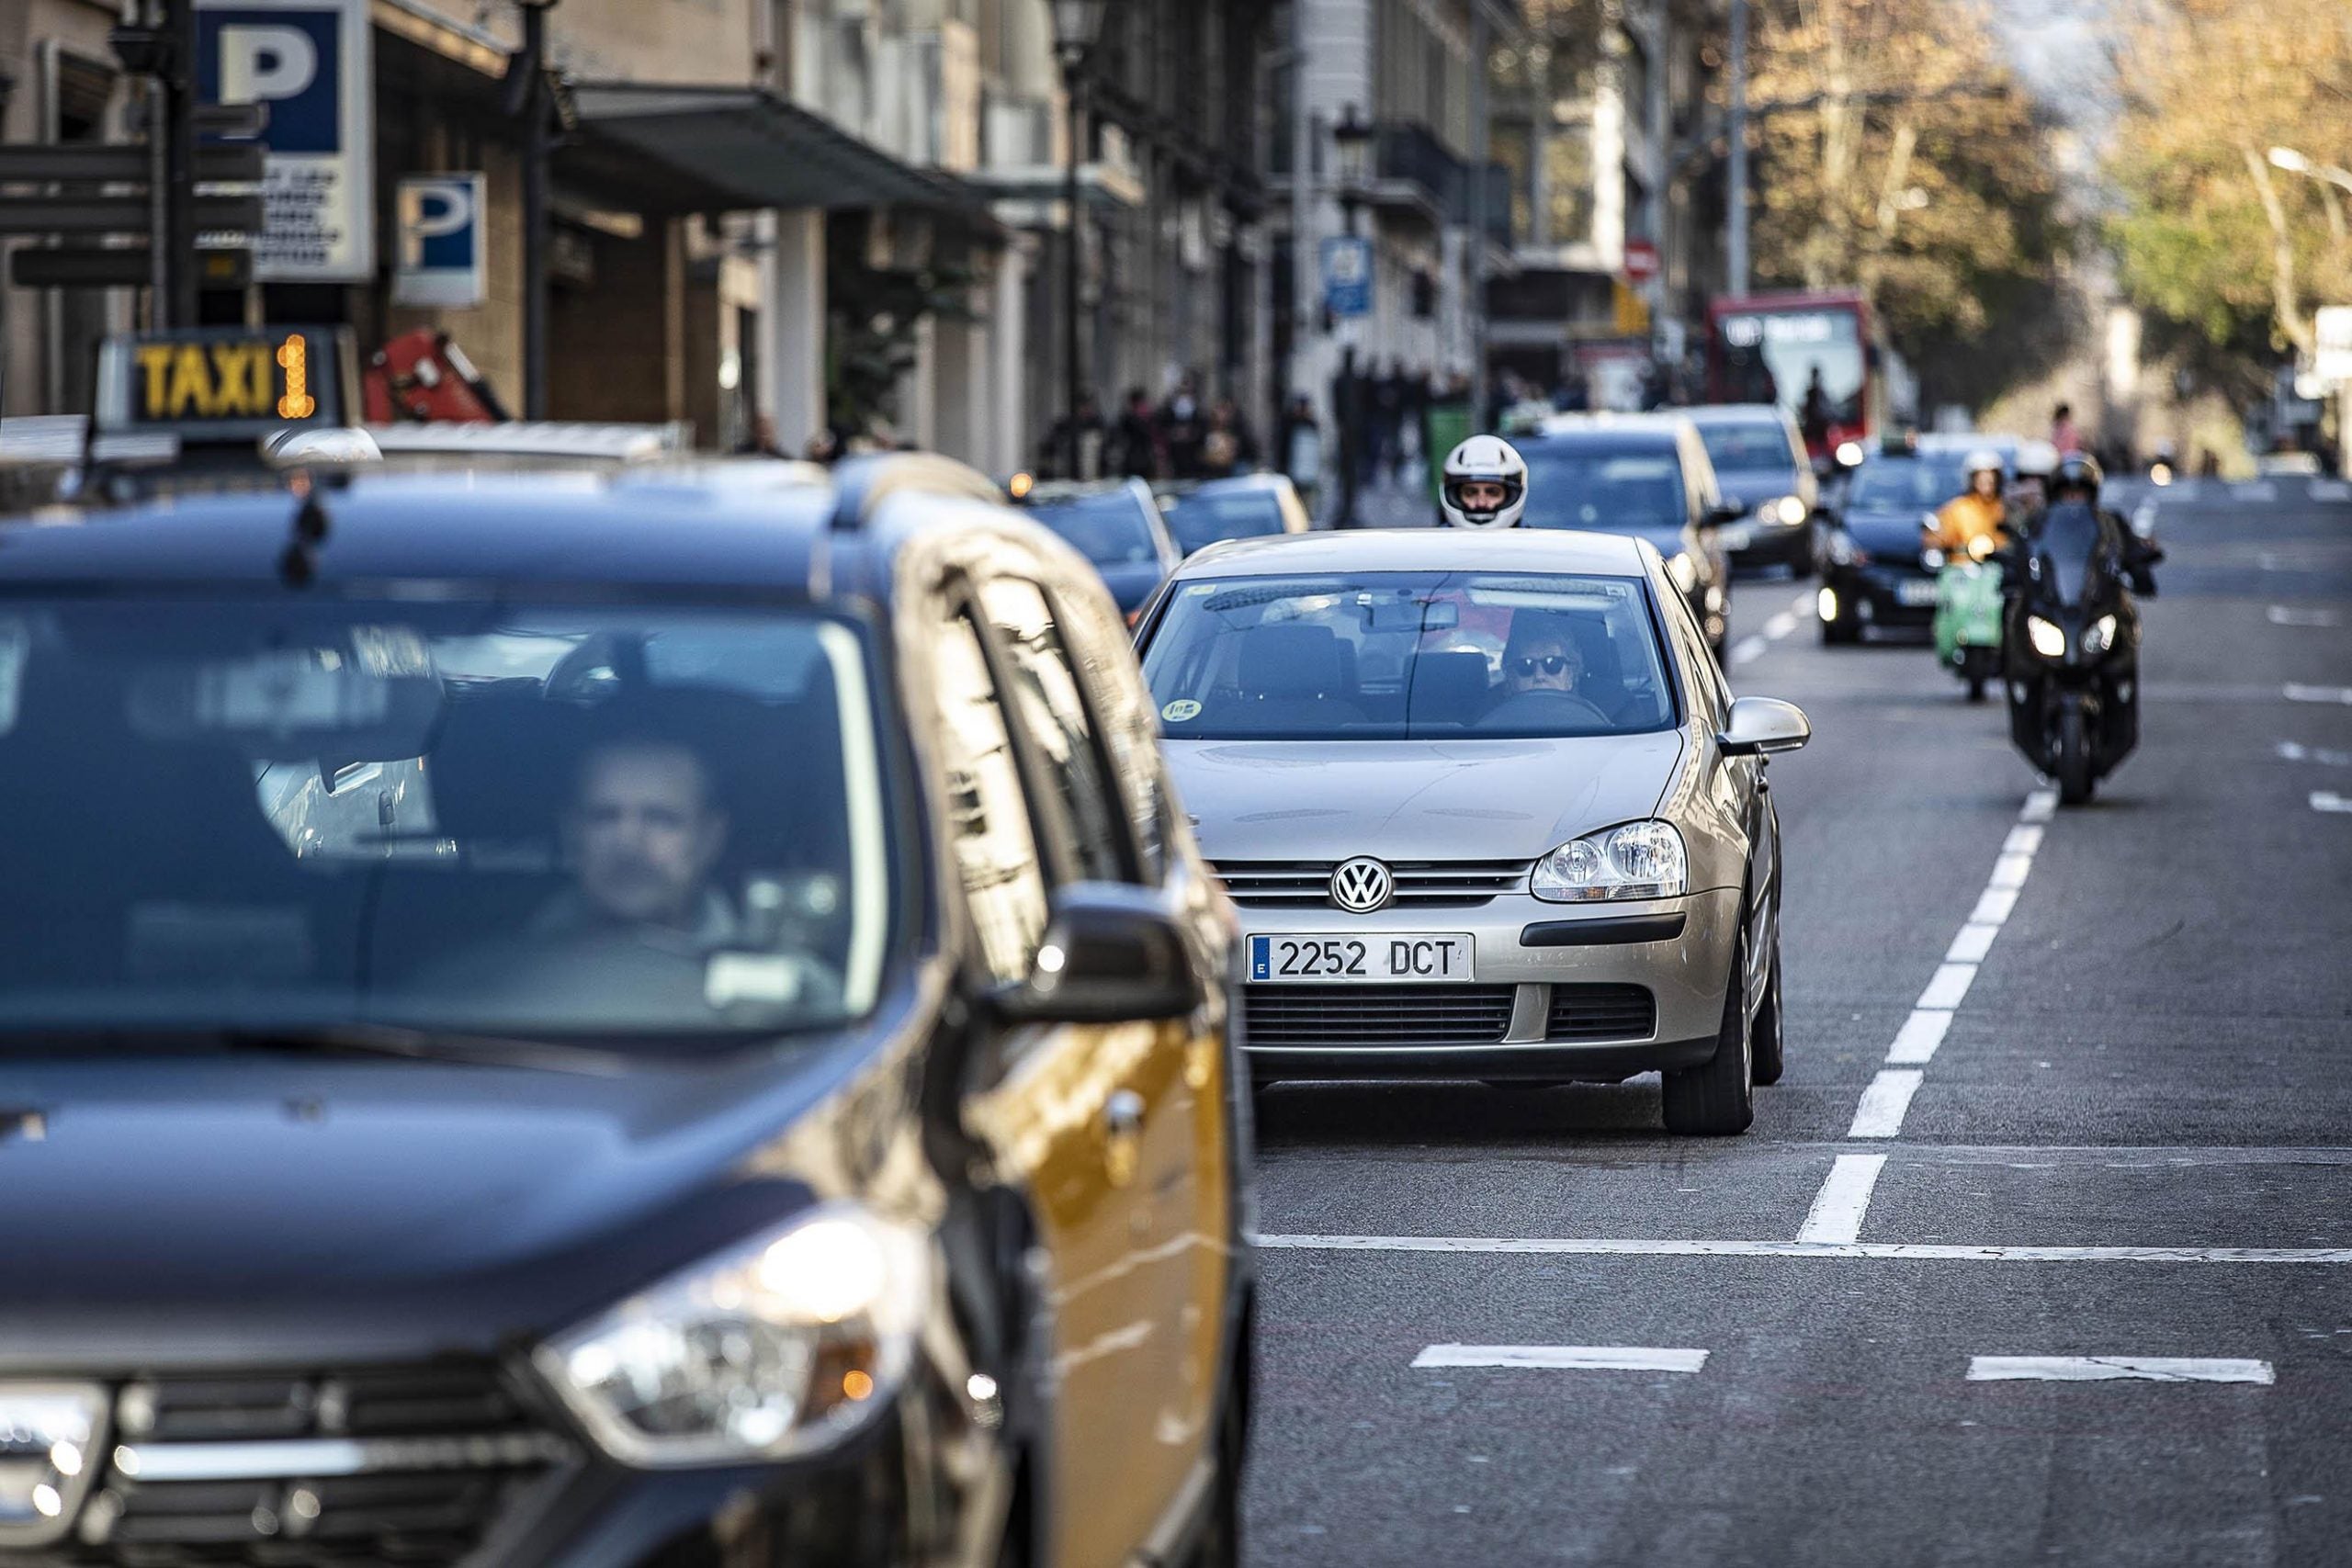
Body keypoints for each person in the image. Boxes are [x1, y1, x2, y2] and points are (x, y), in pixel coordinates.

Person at [534, 738, 736, 949]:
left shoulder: (763, 975)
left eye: (660, 818)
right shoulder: (512, 966)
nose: (627, 844)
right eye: (604, 816)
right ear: (571, 832)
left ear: (709, 837)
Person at [1929, 448, 2009, 560]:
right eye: (1981, 476)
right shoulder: (1957, 509)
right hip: (1962, 569)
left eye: (1992, 476)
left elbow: (2014, 539)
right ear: (1972, 479)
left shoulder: (2006, 507)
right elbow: (1939, 539)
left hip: (1999, 567)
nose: (1987, 480)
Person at [1437, 434, 1529, 529]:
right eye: (1470, 493)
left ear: (1510, 496)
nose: (1481, 503)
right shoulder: (1432, 542)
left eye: (1493, 492)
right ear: (1455, 496)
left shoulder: (1535, 542)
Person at [1799, 367, 1832, 454]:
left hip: (1819, 427)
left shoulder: (1822, 392)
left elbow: (1828, 408)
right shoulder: (1809, 392)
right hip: (1811, 427)